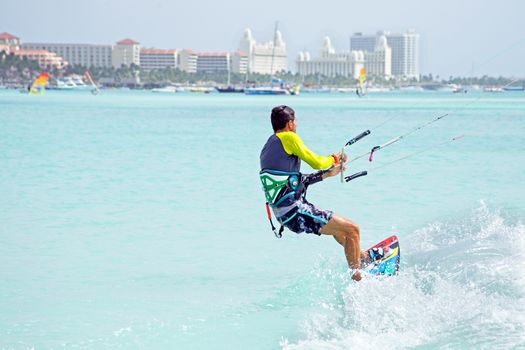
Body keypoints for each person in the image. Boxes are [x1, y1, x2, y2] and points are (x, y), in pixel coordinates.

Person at [259, 105, 364, 281]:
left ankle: (362, 258)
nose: (297, 125)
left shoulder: (268, 146)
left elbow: (291, 181)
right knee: (353, 229)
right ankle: (359, 279)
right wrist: (334, 158)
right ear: (290, 124)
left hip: (286, 215)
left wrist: (327, 174)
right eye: (296, 121)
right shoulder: (289, 137)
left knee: (341, 231)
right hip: (294, 211)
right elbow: (316, 162)